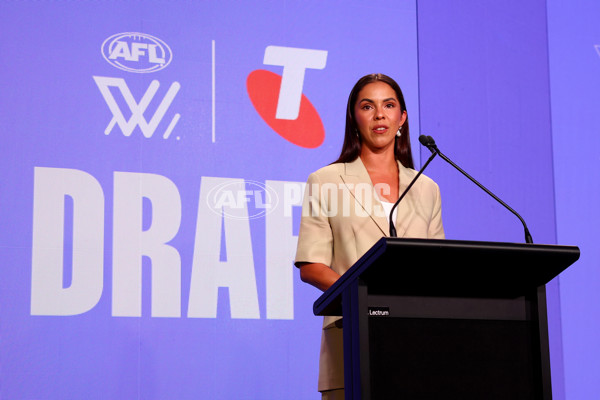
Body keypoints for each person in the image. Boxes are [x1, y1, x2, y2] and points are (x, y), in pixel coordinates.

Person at [294, 73, 445, 400]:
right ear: (354, 116)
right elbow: (312, 265)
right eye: (368, 106)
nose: (379, 115)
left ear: (401, 118)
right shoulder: (326, 180)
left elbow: (436, 266)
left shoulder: (426, 188)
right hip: (351, 339)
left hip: (416, 344)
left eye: (389, 105)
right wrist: (365, 297)